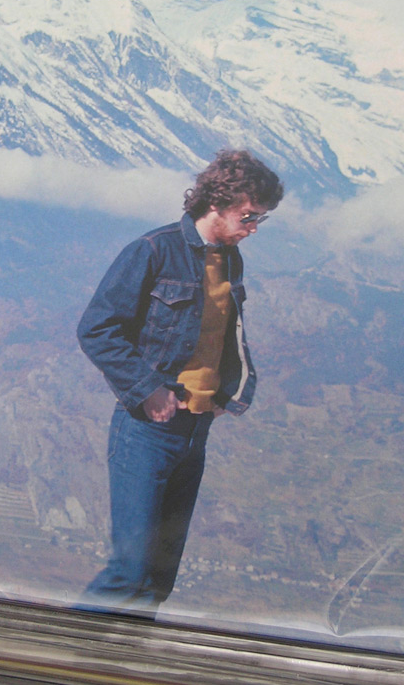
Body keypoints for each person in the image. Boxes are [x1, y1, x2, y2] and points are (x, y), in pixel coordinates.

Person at [77, 149, 284, 614]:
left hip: (195, 430)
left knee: (158, 578)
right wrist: (147, 389)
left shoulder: (230, 260)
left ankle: (121, 658)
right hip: (146, 430)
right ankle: (52, 652)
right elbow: (96, 329)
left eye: (261, 219)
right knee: (128, 572)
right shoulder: (154, 250)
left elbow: (221, 335)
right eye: (248, 216)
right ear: (218, 202)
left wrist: (224, 393)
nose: (253, 228)